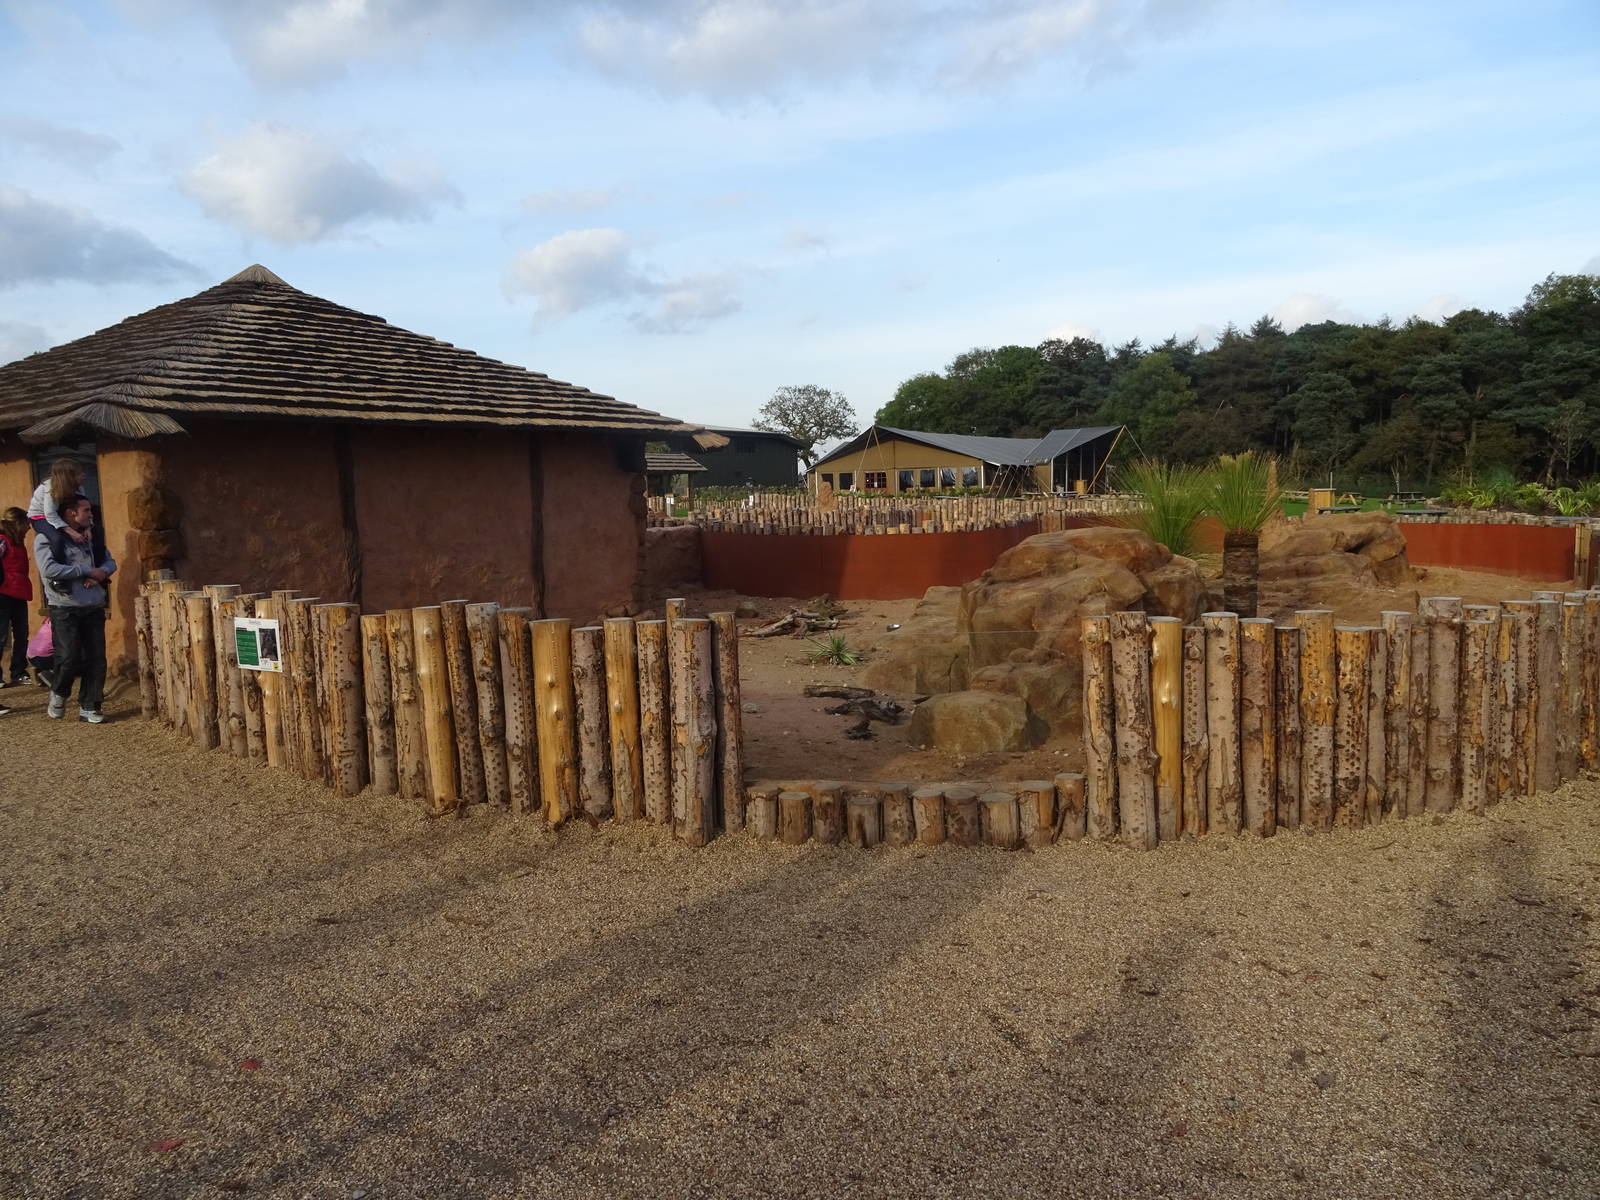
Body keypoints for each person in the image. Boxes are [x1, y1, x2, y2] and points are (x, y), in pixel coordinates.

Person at [33, 494, 115, 723]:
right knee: (68, 657)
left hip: (93, 605)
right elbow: (49, 569)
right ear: (71, 513)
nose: (91, 514)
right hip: (65, 606)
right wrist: (85, 571)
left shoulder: (92, 537)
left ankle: (90, 706)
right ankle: (58, 692)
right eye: (86, 510)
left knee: (96, 659)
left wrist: (102, 573)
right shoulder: (46, 538)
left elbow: (109, 562)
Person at [28, 460, 89, 555]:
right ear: (69, 477)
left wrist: (87, 528)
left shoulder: (78, 488)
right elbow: (50, 514)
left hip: (58, 515)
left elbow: (84, 508)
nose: (84, 475)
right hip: (40, 517)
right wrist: (72, 532)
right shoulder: (51, 487)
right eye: (79, 473)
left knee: (95, 532)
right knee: (57, 539)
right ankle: (59, 565)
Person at [0, 506, 32, 687]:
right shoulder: (3, 541)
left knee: (21, 634)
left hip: (18, 592)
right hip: (4, 593)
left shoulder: (18, 543)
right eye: (26, 523)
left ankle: (18, 671)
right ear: (18, 523)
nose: (29, 527)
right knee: (1, 636)